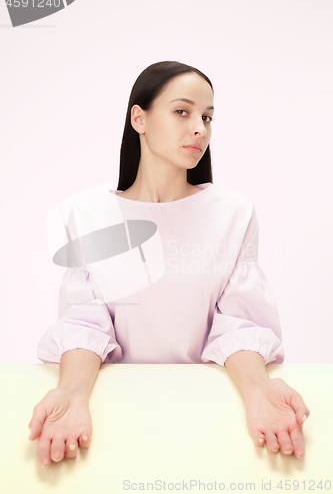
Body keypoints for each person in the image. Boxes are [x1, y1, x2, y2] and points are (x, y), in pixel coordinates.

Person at [28, 61, 310, 468]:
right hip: (114, 419)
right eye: (183, 111)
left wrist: (258, 389)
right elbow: (84, 323)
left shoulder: (233, 214)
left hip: (209, 418)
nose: (200, 128)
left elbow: (238, 325)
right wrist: (71, 394)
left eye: (207, 117)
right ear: (138, 118)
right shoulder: (88, 215)